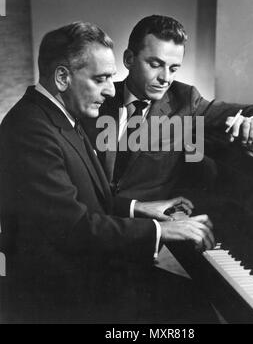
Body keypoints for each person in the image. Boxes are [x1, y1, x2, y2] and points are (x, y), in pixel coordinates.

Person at [0, 22, 216, 324]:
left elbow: (77, 201)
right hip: (63, 297)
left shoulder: (58, 118)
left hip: (81, 277)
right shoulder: (32, 130)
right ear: (62, 77)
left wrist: (137, 208)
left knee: (196, 299)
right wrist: (161, 230)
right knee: (198, 309)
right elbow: (72, 228)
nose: (109, 90)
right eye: (100, 79)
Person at [83, 15, 253, 202]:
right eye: (155, 64)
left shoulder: (185, 101)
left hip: (152, 226)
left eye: (173, 68)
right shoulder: (97, 97)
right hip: (94, 220)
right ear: (129, 59)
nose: (165, 78)